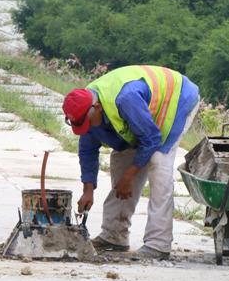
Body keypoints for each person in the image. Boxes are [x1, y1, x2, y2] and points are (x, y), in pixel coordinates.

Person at [62, 65, 200, 260]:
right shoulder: (85, 107)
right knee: (122, 160)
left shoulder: (125, 99)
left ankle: (158, 244)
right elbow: (87, 149)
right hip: (141, 113)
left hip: (176, 99)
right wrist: (88, 189)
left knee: (158, 163)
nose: (88, 126)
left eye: (88, 121)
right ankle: (114, 236)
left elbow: (151, 138)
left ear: (97, 107)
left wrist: (129, 177)